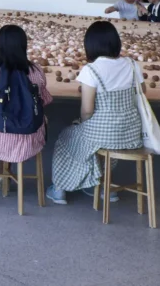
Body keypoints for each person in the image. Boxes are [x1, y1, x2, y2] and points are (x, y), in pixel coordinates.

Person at [47, 21, 143, 205]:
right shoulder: (132, 65)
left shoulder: (91, 70)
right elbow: (141, 93)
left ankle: (59, 189)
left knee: (67, 137)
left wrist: (81, 122)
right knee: (97, 144)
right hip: (130, 134)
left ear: (90, 45)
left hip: (103, 135)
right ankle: (103, 187)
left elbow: (87, 110)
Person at [0, 25, 53, 164]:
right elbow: (44, 100)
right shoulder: (36, 71)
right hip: (30, 138)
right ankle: (8, 170)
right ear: (24, 46)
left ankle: (3, 169)